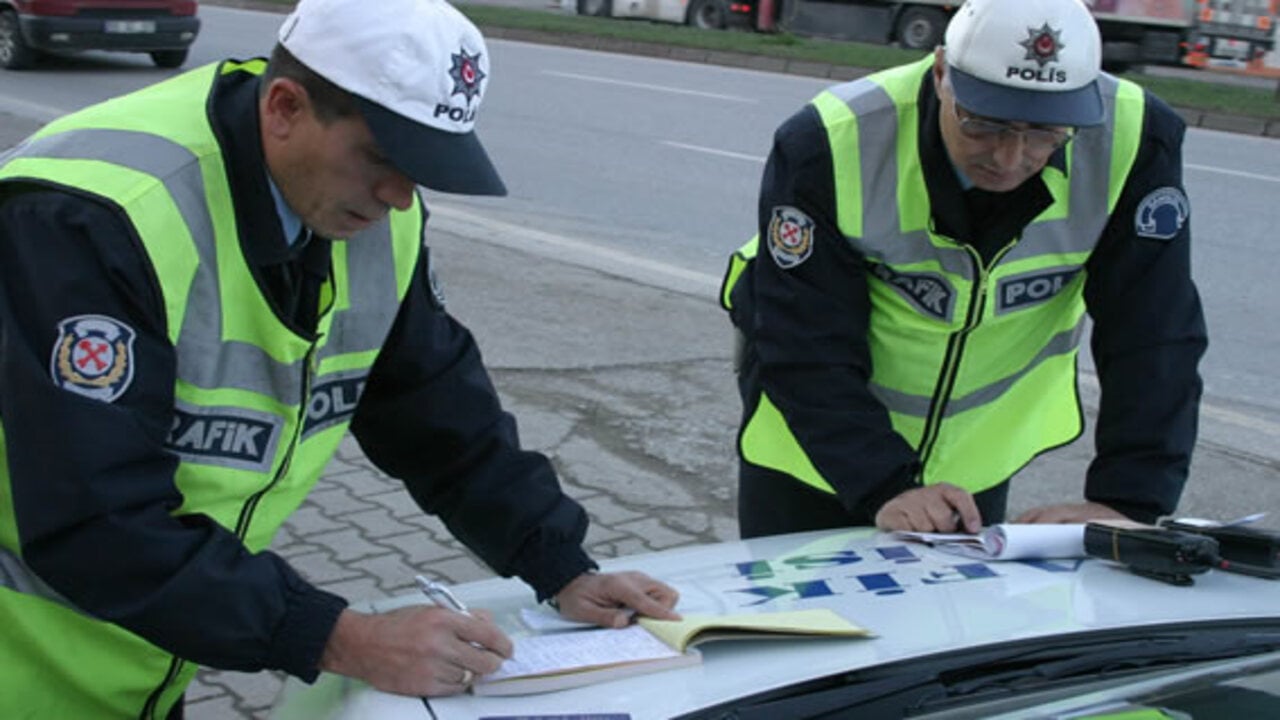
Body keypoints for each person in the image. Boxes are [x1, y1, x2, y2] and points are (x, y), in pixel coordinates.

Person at [0, 0, 680, 715]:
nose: (398, 195)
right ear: (286, 107)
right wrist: (340, 637)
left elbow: (437, 413)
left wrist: (558, 564)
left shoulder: (370, 215)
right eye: (383, 158)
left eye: (424, 166)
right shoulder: (93, 218)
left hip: (138, 657)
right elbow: (94, 517)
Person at [720, 0, 1207, 539]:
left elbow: (1154, 328)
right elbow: (803, 334)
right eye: (984, 124)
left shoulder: (1134, 140)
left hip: (969, 468)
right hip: (811, 456)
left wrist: (1129, 500)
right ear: (941, 72)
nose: (1009, 157)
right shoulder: (833, 141)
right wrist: (884, 484)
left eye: (1046, 132)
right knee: (797, 619)